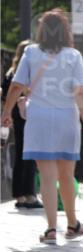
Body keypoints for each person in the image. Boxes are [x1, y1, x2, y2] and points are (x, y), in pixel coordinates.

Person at [2, 9, 83, 244]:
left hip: (39, 119)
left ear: (41, 30)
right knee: (66, 175)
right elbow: (81, 92)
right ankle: (72, 224)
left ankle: (51, 228)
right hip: (67, 119)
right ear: (66, 32)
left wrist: (6, 114)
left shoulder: (31, 53)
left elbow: (16, 85)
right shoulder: (74, 56)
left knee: (47, 176)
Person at [1, 40, 39, 209]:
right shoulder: (29, 71)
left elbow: (4, 95)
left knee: (20, 155)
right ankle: (30, 195)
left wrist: (8, 111)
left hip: (16, 114)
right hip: (29, 115)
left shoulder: (11, 72)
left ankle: (19, 195)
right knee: (30, 155)